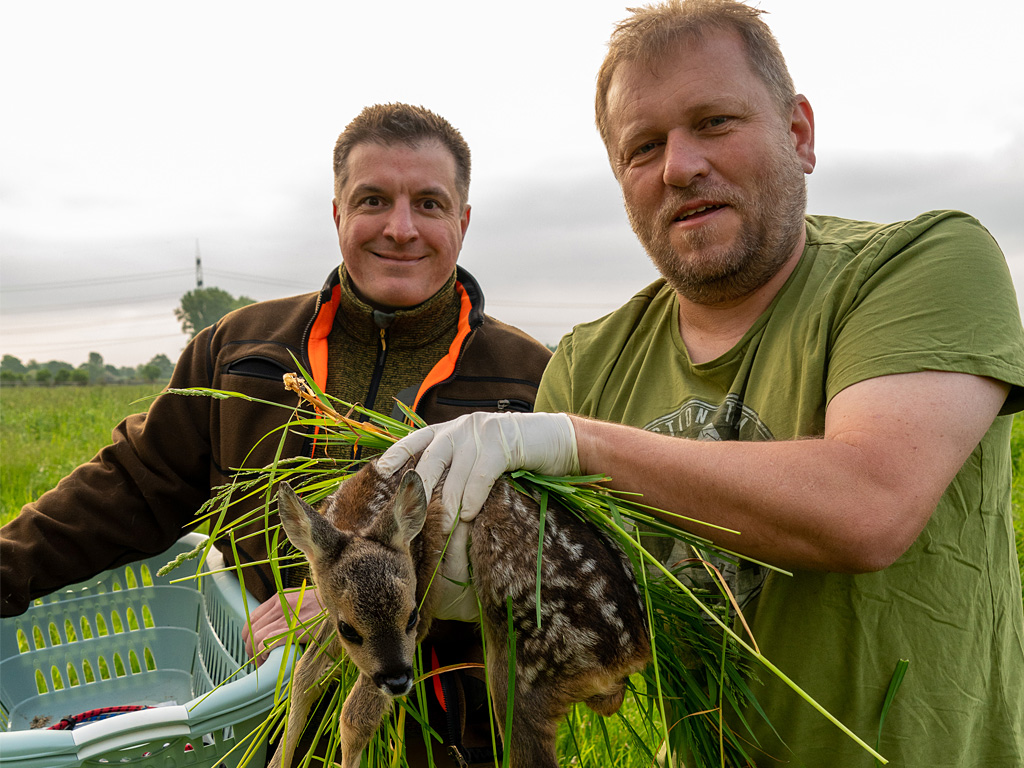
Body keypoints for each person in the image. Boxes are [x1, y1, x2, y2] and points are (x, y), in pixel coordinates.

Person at [377, 3, 1024, 766]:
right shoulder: (590, 362)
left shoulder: (924, 263)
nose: (679, 166)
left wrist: (579, 442)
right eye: (642, 147)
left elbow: (870, 505)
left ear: (799, 134)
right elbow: (594, 624)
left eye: (714, 122)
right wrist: (416, 582)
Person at [0, 103, 551, 767]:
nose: (401, 228)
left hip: (452, 735)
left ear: (462, 221)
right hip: (263, 721)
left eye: (429, 204)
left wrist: (342, 599)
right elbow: (131, 486)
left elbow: (555, 570)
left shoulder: (528, 380)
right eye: (373, 199)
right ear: (337, 213)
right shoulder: (242, 350)